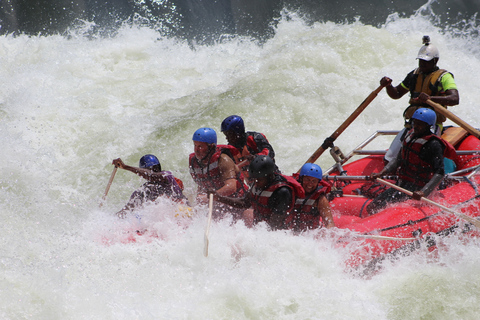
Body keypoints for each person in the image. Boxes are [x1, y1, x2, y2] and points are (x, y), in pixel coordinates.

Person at [382, 36, 459, 163]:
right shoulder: (414, 75)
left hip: (431, 125)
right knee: (389, 157)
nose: (422, 64)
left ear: (435, 60)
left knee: (421, 158)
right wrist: (388, 86)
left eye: (426, 61)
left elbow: (455, 99)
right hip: (413, 124)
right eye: (421, 60)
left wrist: (431, 98)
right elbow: (396, 94)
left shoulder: (444, 77)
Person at [367, 108, 456, 215]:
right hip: (403, 185)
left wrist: (424, 192)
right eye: (415, 123)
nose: (416, 126)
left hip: (418, 188)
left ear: (428, 126)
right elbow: (398, 159)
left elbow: (439, 172)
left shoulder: (433, 144)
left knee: (389, 213)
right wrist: (381, 173)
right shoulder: (410, 136)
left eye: (420, 124)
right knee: (372, 207)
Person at [212, 155, 305, 230]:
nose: (255, 182)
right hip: (261, 229)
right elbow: (244, 203)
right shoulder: (258, 182)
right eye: (254, 179)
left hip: (279, 234)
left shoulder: (282, 192)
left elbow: (274, 225)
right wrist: (219, 198)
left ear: (270, 176)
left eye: (259, 180)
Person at [189, 127, 248, 220]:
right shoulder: (194, 162)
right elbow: (202, 184)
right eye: (195, 145)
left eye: (200, 146)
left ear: (211, 147)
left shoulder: (223, 160)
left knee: (249, 216)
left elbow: (231, 187)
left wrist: (209, 198)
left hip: (239, 201)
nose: (196, 150)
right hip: (219, 203)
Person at [112, 154, 189, 218]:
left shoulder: (167, 176)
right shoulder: (144, 190)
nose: (153, 171)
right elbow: (127, 209)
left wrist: (126, 167)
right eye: (148, 169)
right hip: (166, 219)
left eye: (155, 168)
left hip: (182, 211)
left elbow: (152, 175)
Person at [285, 163, 335, 232]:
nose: (310, 184)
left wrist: (328, 235)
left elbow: (329, 223)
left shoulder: (320, 199)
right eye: (307, 180)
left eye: (314, 181)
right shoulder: (291, 191)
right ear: (301, 179)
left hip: (309, 235)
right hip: (289, 233)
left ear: (318, 182)